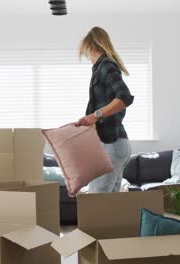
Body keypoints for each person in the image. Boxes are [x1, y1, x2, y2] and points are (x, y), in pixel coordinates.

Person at [75, 26, 134, 193]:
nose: (86, 56)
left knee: (96, 200)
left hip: (112, 144)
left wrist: (96, 115)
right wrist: (90, 118)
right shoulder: (102, 68)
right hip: (117, 144)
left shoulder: (106, 66)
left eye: (85, 51)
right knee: (108, 205)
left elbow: (124, 97)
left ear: (90, 46)